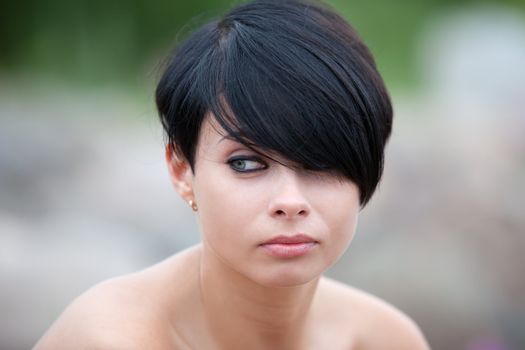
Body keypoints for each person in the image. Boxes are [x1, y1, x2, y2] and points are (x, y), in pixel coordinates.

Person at [35, 0, 430, 348]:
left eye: (321, 162)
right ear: (180, 169)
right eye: (246, 163)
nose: (290, 202)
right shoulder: (111, 339)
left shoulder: (383, 338)